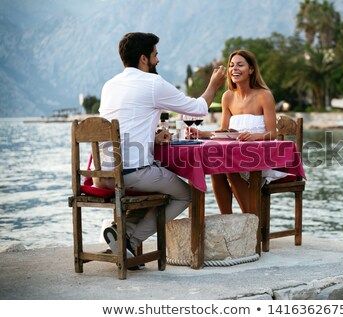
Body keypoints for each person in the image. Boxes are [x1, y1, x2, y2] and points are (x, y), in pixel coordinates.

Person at [95, 32, 226, 268]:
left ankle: (119, 233)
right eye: (156, 55)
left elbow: (123, 125)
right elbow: (197, 108)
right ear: (144, 58)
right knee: (186, 194)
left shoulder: (109, 85)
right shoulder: (153, 83)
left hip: (102, 175)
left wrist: (152, 137)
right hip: (132, 173)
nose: (158, 60)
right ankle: (129, 239)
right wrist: (214, 84)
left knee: (157, 187)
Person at [192, 49, 290, 215]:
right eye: (231, 66)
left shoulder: (264, 95)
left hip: (259, 157)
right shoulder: (227, 97)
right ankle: (228, 220)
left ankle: (251, 221)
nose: (234, 69)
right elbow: (224, 133)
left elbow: (272, 134)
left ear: (251, 69)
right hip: (235, 155)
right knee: (217, 167)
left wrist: (255, 137)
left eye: (240, 65)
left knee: (228, 166)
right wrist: (204, 134)